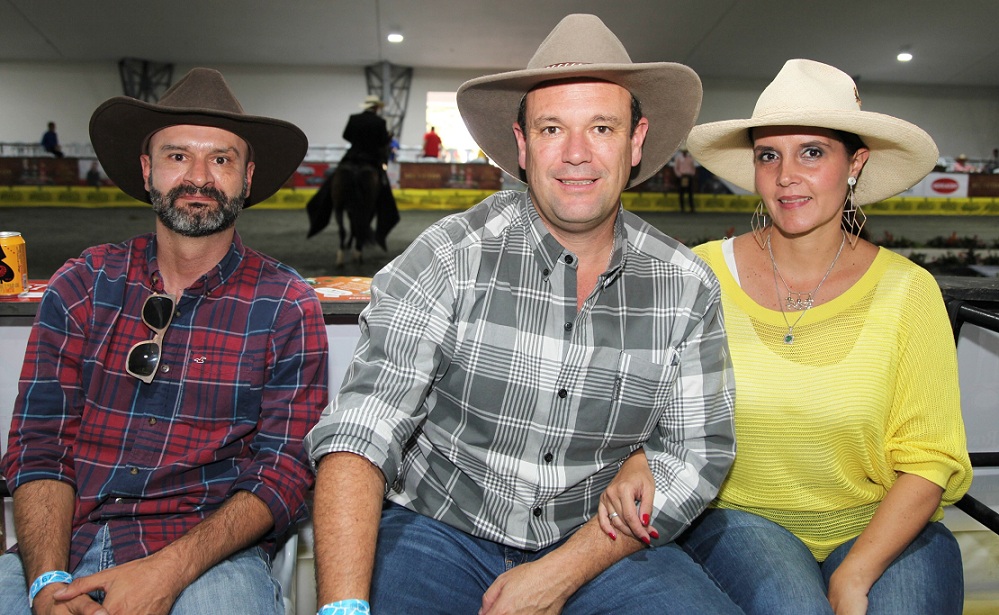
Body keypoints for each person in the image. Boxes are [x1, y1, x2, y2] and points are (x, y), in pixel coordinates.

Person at [305, 13, 740, 615]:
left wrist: (560, 572)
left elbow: (698, 452)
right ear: (522, 143)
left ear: (636, 141)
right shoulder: (448, 255)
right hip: (439, 530)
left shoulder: (686, 286)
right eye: (553, 128)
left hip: (598, 537)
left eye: (602, 128)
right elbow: (362, 428)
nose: (577, 155)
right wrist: (343, 611)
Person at [602, 59, 973, 615]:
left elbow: (929, 459)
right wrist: (637, 454)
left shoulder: (907, 291)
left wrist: (854, 574)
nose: (785, 176)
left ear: (856, 163)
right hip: (742, 518)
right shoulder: (697, 275)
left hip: (887, 524)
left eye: (813, 152)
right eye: (768, 155)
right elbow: (637, 396)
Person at [0, 68, 329, 614]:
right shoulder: (84, 285)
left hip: (208, 556)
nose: (199, 177)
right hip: (66, 539)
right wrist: (47, 582)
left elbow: (285, 470)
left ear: (246, 178)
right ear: (148, 170)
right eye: (178, 156)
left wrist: (167, 571)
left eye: (221, 159)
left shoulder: (286, 305)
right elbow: (40, 444)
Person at [306, 95, 396, 265]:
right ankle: (359, 247)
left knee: (330, 185)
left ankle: (339, 244)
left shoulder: (354, 118)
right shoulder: (380, 122)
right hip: (370, 161)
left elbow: (346, 136)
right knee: (383, 191)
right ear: (376, 108)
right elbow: (383, 142)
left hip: (351, 158)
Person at [672, 148, 696, 212]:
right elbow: (676, 168)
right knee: (681, 193)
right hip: (682, 176)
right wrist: (679, 175)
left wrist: (692, 174)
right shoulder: (679, 158)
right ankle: (682, 208)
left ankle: (691, 207)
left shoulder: (690, 158)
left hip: (689, 176)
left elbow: (693, 167)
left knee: (690, 193)